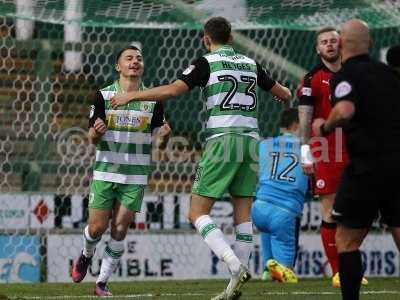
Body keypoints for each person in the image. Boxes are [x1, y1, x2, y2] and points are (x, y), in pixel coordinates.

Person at [110, 16, 291, 300]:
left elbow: (172, 91)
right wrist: (279, 95)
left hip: (223, 140)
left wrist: (131, 97)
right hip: (251, 142)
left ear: (207, 39)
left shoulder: (207, 62)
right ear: (231, 37)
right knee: (243, 211)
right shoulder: (251, 64)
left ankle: (233, 265)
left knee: (197, 212)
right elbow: (285, 93)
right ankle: (235, 286)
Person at [71, 45, 171, 296]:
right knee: (96, 228)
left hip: (135, 176)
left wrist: (165, 138)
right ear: (118, 66)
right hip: (106, 172)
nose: (135, 61)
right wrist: (96, 131)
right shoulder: (103, 96)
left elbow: (159, 142)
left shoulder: (152, 100)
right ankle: (86, 255)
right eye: (129, 58)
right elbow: (91, 138)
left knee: (119, 228)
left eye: (139, 58)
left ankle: (101, 283)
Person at [312, 19, 400, 300]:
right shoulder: (390, 74)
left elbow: (346, 109)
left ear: (341, 45)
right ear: (371, 44)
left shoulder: (345, 76)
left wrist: (325, 126)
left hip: (366, 168)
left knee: (346, 241)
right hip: (397, 166)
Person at [297, 27, 369, 287]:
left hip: (357, 150)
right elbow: (304, 119)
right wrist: (306, 153)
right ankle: (340, 272)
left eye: (333, 41)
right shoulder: (312, 79)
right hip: (325, 152)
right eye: (323, 42)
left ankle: (349, 262)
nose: (329, 45)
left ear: (341, 44)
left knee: (361, 210)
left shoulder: (356, 75)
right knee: (330, 211)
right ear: (318, 49)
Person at [251, 108, 308, 284]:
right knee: (287, 276)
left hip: (259, 206)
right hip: (284, 210)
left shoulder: (264, 144)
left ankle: (268, 270)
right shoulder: (306, 149)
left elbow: (256, 172)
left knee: (268, 229)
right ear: (297, 124)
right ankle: (282, 269)